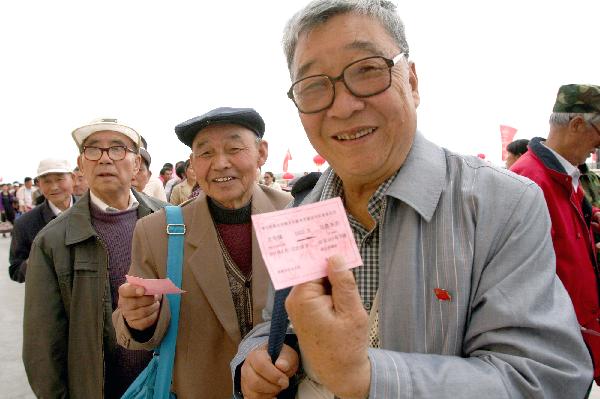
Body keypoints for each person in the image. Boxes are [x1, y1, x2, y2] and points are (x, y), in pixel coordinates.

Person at [232, 2, 592, 398]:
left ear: (413, 81)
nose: (343, 105)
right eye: (314, 85)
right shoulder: (300, 210)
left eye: (367, 69)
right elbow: (276, 322)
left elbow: (541, 379)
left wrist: (366, 377)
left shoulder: (502, 204)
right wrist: (254, 360)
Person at [113, 107, 292, 398]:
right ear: (193, 163)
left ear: (261, 153)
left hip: (285, 385)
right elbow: (133, 327)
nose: (221, 163)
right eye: (206, 154)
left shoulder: (296, 213)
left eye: (234, 148)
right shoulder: (156, 231)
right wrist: (139, 320)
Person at [23, 118, 167, 398]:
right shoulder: (52, 240)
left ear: (137, 164)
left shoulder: (169, 220)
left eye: (117, 149)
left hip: (166, 384)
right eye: (93, 150)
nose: (104, 159)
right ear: (82, 164)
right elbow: (42, 344)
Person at [511, 84, 600, 390]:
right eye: (599, 131)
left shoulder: (566, 179)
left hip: (578, 341)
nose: (598, 144)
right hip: (553, 352)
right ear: (577, 124)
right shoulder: (530, 181)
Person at [9, 158, 75, 283]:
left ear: (73, 179)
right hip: (48, 299)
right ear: (39, 184)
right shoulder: (25, 223)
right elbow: (15, 271)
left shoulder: (93, 212)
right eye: (46, 181)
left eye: (60, 179)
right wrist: (37, 259)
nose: (54, 187)